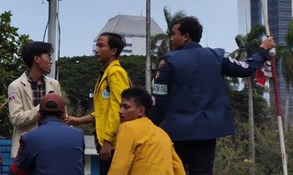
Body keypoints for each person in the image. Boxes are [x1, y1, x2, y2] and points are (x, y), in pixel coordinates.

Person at [149, 16, 274, 175]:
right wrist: (262, 50)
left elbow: (159, 99)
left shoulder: (169, 60)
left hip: (176, 132)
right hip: (207, 131)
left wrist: (149, 126)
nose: (171, 39)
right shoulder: (217, 56)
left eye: (174, 34)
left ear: (186, 37)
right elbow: (246, 68)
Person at [65, 32, 131, 175]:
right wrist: (79, 121)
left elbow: (118, 109)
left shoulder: (115, 72)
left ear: (113, 51)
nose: (96, 49)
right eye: (96, 45)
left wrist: (107, 141)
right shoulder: (105, 74)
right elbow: (103, 111)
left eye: (101, 46)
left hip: (113, 145)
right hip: (105, 143)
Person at [109, 87, 185, 175]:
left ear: (140, 111)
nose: (120, 111)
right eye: (120, 107)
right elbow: (178, 168)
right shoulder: (163, 134)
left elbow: (119, 166)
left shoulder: (127, 127)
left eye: (126, 107)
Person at [7, 41, 63, 159]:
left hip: (50, 146)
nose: (51, 61)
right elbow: (16, 118)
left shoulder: (54, 84)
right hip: (26, 149)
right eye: (48, 57)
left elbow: (63, 114)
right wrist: (43, 107)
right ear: (37, 59)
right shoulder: (15, 86)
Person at [11, 93, 85, 175]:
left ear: (39, 115)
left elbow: (16, 171)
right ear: (64, 114)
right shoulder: (79, 135)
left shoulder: (29, 138)